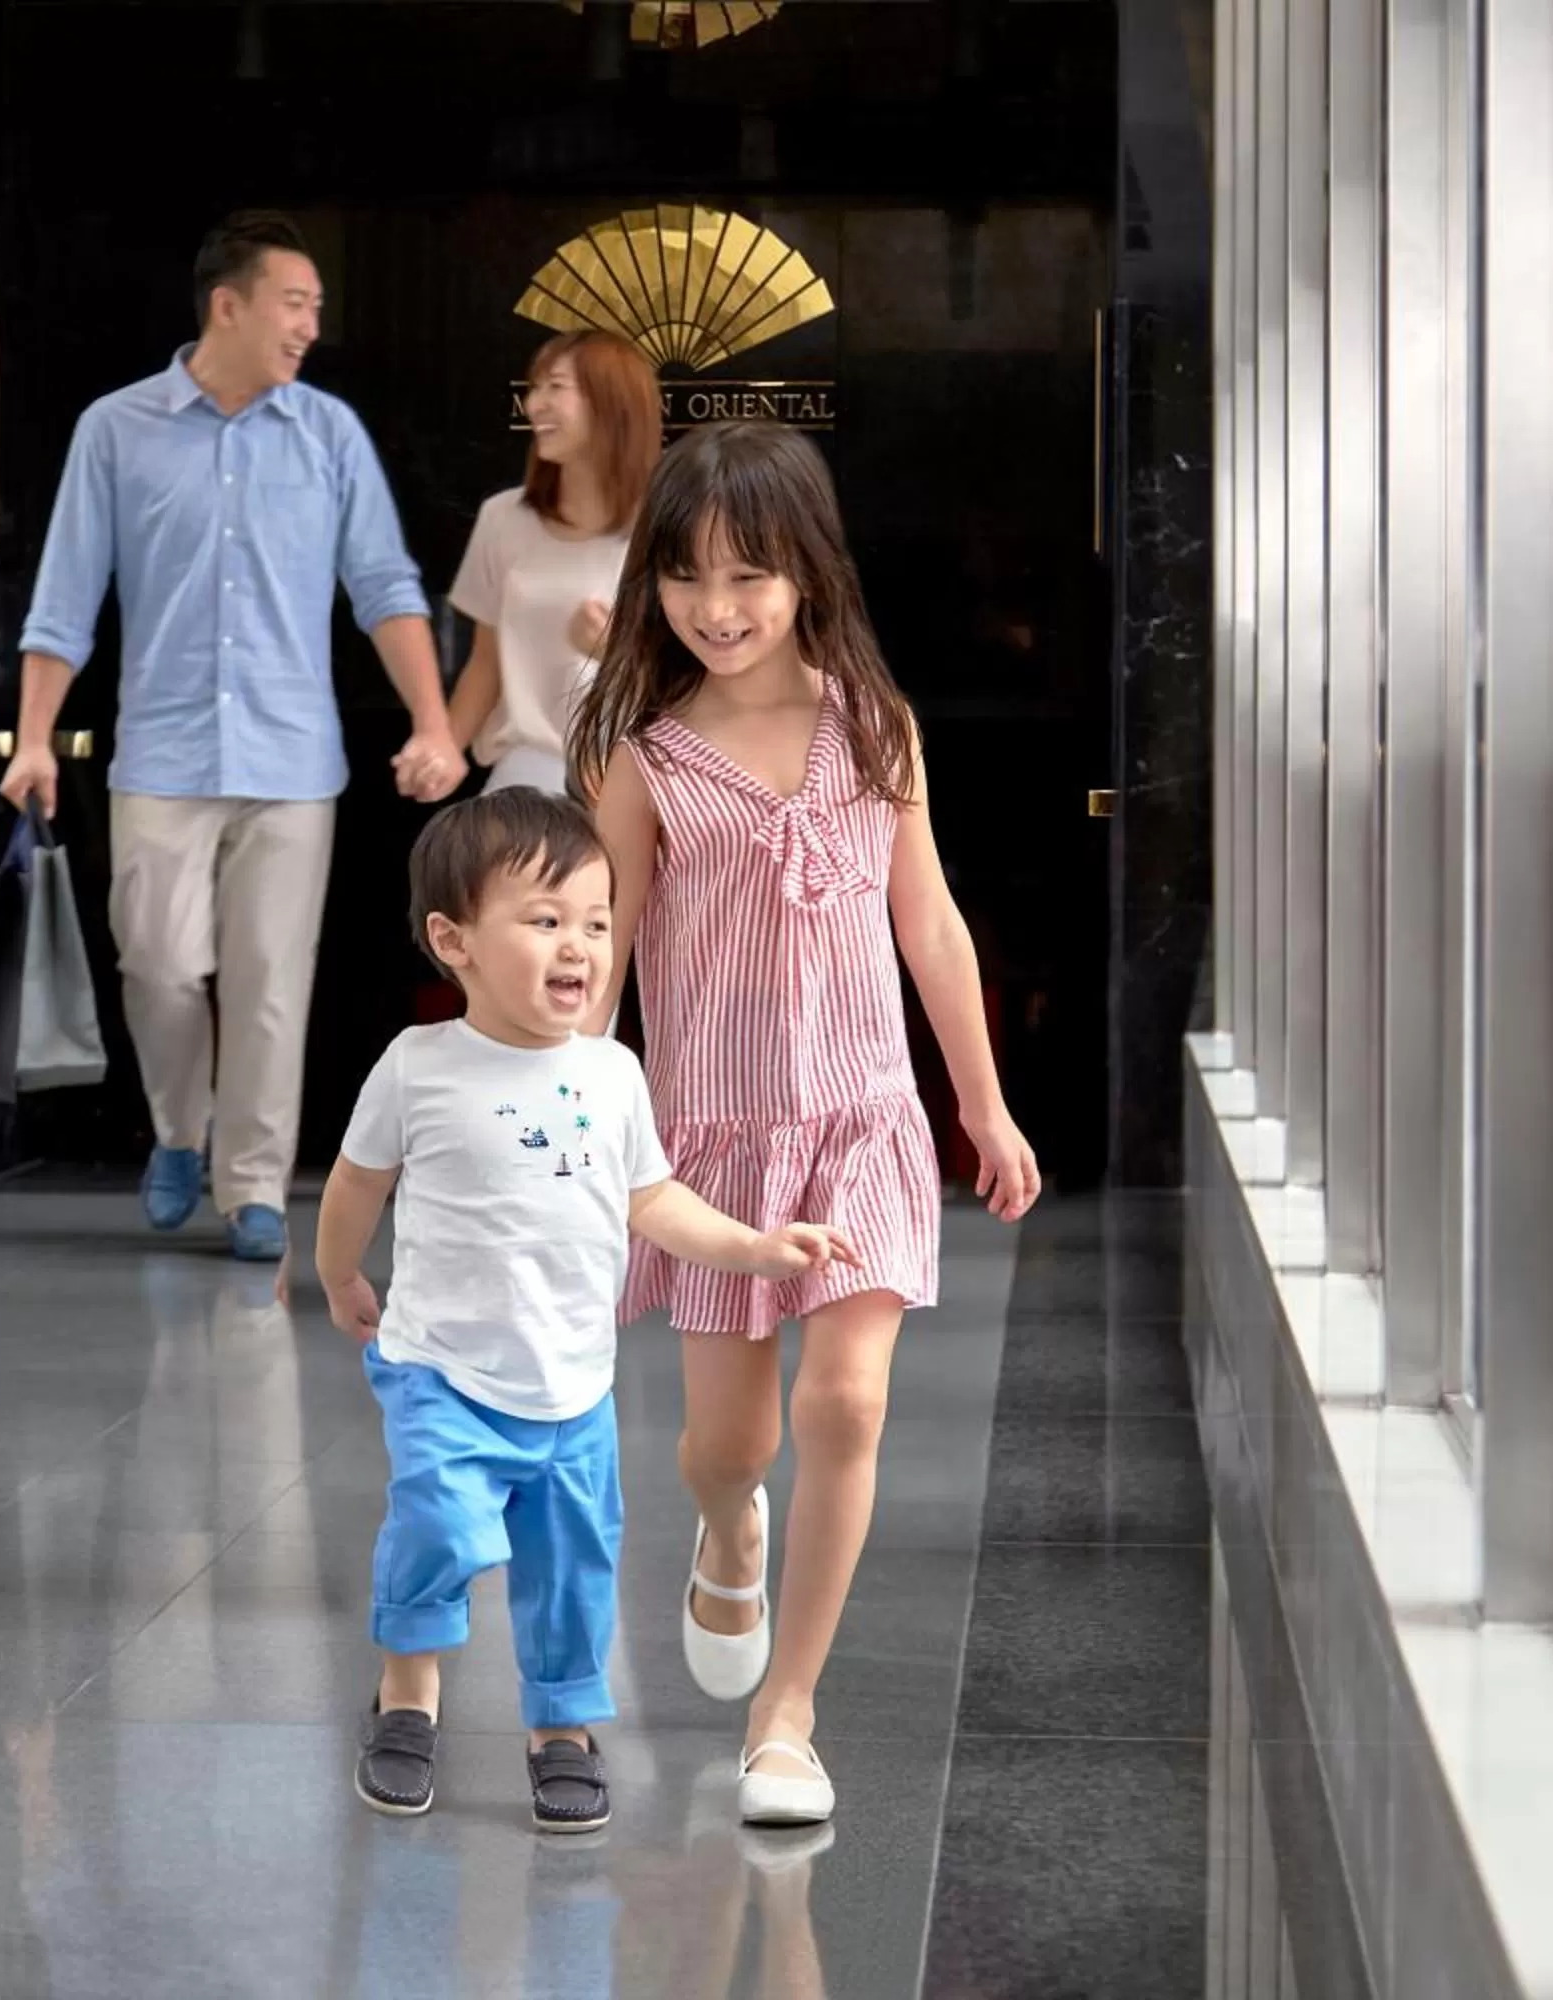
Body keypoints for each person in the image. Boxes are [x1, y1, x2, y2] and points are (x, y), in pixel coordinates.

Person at [569, 419, 1043, 1827]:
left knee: (844, 1401)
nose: (717, 609)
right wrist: (570, 1135)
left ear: (807, 577)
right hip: (712, 1149)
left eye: (750, 578)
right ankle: (728, 1534)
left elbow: (933, 927)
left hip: (861, 1127)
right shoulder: (643, 760)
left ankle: (789, 1712)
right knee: (730, 1446)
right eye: (688, 579)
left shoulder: (873, 730)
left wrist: (983, 1105)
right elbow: (596, 955)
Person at [314, 787, 859, 1835]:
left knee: (572, 1569)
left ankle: (561, 1726)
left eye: (599, 923)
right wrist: (341, 1273)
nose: (580, 946)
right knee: (433, 1523)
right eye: (546, 919)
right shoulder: (417, 1065)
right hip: (442, 1370)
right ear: (453, 939)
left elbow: (650, 1198)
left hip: (573, 1387)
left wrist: (752, 1244)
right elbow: (354, 1183)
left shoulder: (613, 1073)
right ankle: (408, 1692)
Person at [3, 212, 466, 1265]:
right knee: (158, 964)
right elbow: (64, 597)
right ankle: (178, 1129)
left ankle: (253, 1184)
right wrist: (34, 737)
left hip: (292, 760)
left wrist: (433, 720)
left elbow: (384, 586)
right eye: (294, 303)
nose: (311, 325)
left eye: (316, 308)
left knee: (269, 981)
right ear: (230, 303)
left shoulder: (329, 436)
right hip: (161, 755)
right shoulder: (116, 430)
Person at [444, 330, 660, 798]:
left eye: (555, 388)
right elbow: (486, 664)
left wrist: (614, 650)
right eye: (534, 388)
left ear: (611, 402)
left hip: (642, 773)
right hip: (530, 769)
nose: (534, 404)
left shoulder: (670, 525)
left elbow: (702, 678)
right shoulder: (503, 518)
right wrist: (443, 747)